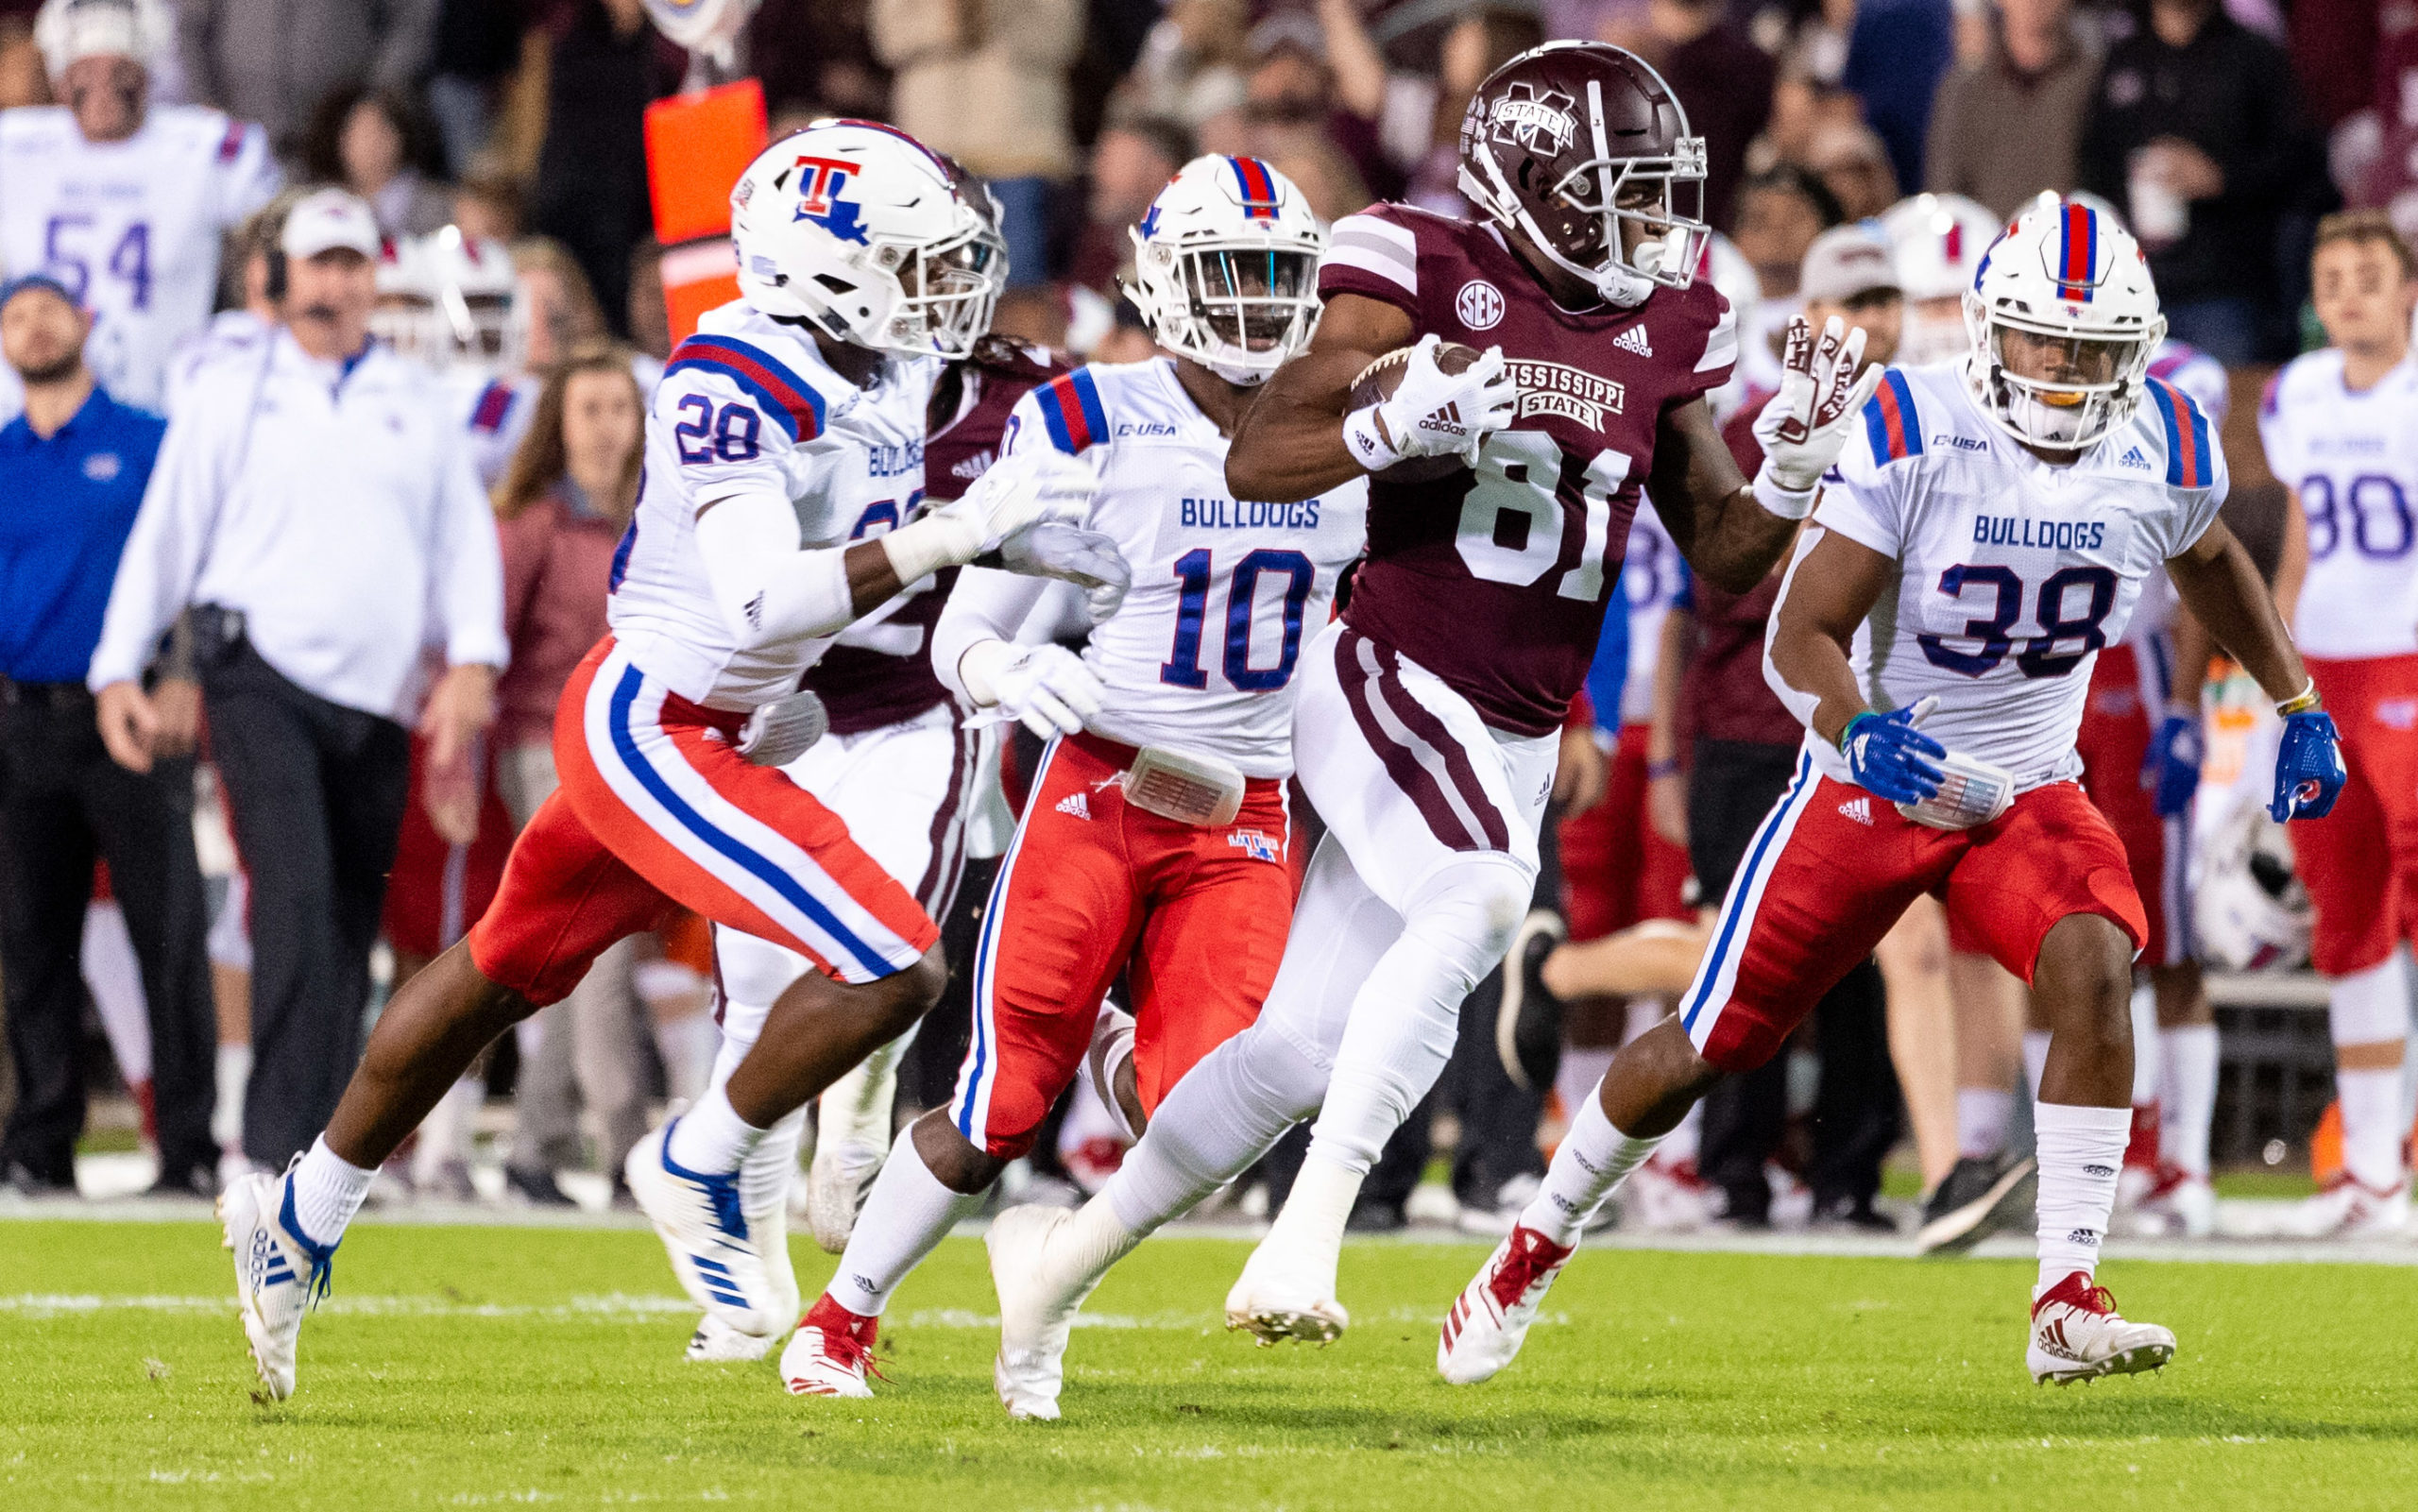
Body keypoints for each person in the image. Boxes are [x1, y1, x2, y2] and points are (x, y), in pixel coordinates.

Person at [979, 42, 1881, 1410]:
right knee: (1478, 901)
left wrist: (1801, 451)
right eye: (1621, 191)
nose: (1653, 223)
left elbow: (1729, 552)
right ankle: (1304, 1239)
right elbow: (1260, 453)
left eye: (1660, 192)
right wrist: (1395, 418)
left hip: (1510, 723)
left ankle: (1053, 1266)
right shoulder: (1415, 264)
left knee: (1296, 1053)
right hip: (1387, 668)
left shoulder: (1671, 318)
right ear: (1533, 186)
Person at [212, 121, 1112, 1402]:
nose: (940, 289)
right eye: (915, 261)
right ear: (827, 267)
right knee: (895, 958)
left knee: (497, 975)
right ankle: (701, 1153)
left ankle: (297, 1212)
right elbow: (757, 596)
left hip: (735, 722)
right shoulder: (735, 369)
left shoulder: (874, 371)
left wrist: (1026, 552)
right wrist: (949, 539)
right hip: (653, 722)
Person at [1435, 198, 2343, 1387]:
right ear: (1984, 330)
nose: (2064, 374)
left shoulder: (2165, 441)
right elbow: (1795, 632)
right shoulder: (1915, 422)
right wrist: (1859, 730)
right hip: (1873, 783)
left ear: (2136, 350)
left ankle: (2063, 1295)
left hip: (2025, 784)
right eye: (2039, 341)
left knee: (2093, 962)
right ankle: (1529, 1244)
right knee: (1713, 1038)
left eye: (2090, 349)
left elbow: (2211, 555)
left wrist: (2296, 698)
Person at [785, 156, 1360, 1406]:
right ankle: (841, 1316)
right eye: (1234, 273)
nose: (1262, 303)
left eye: (1283, 275)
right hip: (1100, 791)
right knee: (999, 1106)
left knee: (1199, 1116)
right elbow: (961, 625)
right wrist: (1002, 666)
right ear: (1164, 281)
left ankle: (1071, 1176)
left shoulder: (1347, 427)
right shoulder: (1094, 417)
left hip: (1246, 817)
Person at [688, 191, 1049, 1364]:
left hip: (916, 709)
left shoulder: (1026, 391)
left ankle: (861, 1101)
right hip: (779, 712)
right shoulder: (768, 380)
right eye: (922, 259)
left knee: (887, 946)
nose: (951, 285)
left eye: (955, 261)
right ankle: (740, 1298)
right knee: (749, 1016)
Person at [87, 187, 505, 1180]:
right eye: (317, 263)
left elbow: (464, 540)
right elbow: (167, 533)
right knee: (295, 894)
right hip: (256, 668)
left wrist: (475, 657)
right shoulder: (229, 389)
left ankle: (326, 1151)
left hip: (379, 692)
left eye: (351, 264)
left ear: (376, 279)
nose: (334, 283)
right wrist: (117, 664)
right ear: (280, 277)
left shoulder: (416, 398)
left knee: (350, 921)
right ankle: (271, 1143)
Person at [0, 271, 215, 1197]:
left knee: (166, 935)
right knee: (30, 941)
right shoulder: (4, 454)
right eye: (14, 314)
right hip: (20, 721)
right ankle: (41, 1145)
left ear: (87, 324)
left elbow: (202, 561)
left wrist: (184, 671)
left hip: (127, 718)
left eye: (49, 308)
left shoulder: (150, 440)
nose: (33, 326)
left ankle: (190, 1144)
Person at [2260, 210, 2418, 1235]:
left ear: (2408, 289)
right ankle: (2370, 1168)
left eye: (2369, 272)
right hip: (2323, 673)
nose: (2349, 290)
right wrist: (2267, 677)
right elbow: (2301, 541)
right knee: (2346, 914)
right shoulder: (2297, 392)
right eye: (2332, 275)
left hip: (2408, 660)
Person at [486, 345, 656, 1209]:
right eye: (587, 408)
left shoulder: (659, 514)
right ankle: (626, 1144)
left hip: (635, 744)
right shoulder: (534, 522)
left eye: (617, 408)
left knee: (571, 942)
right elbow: (486, 641)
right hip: (546, 744)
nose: (603, 426)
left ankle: (534, 1143)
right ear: (558, 422)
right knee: (604, 944)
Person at [0, 0, 279, 413]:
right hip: (32, 405)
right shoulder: (14, 146)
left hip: (161, 394)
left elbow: (275, 242)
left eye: (121, 71)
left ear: (149, 76)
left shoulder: (207, 146)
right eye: (85, 72)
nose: (104, 88)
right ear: (60, 81)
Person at [2077, 0, 2316, 364]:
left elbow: (2300, 165)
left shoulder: (2253, 56)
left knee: (2224, 415)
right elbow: (2093, 164)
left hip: (2227, 292)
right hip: (2133, 291)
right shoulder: (2121, 59)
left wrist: (2221, 179)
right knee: (2129, 415)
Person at [1922, 0, 2095, 221]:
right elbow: (1945, 195)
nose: (2034, 3)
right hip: (1988, 245)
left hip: (2076, 245)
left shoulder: (2097, 83)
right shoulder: (1964, 90)